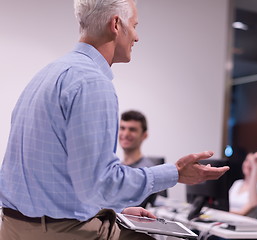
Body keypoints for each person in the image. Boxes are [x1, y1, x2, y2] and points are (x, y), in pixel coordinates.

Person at [0, 0, 229, 239]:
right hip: (59, 231)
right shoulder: (92, 83)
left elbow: (67, 181)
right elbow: (103, 183)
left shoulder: (47, 75)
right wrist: (176, 173)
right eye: (135, 25)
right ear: (116, 25)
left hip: (13, 226)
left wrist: (111, 209)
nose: (137, 37)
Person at [119, 110, 165, 207]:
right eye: (122, 128)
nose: (125, 134)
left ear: (144, 135)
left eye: (132, 130)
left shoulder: (147, 171)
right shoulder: (116, 168)